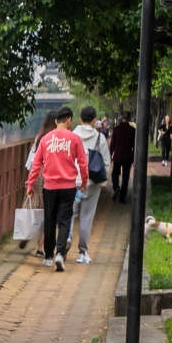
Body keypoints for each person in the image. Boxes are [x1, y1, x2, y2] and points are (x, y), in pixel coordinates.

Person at [25, 105, 88, 272]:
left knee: (50, 220)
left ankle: (48, 256)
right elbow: (83, 163)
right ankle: (60, 254)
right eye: (70, 121)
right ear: (68, 120)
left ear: (55, 121)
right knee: (64, 220)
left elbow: (36, 164)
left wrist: (30, 184)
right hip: (68, 187)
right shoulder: (74, 139)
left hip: (49, 187)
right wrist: (84, 182)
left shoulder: (46, 139)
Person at [72, 104, 111, 264]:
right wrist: (102, 182)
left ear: (80, 119)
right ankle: (82, 251)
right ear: (95, 120)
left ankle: (64, 244)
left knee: (70, 214)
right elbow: (107, 162)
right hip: (92, 182)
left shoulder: (72, 135)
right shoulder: (99, 138)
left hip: (73, 181)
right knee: (86, 217)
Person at [108, 113, 135, 203]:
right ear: (129, 119)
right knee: (126, 177)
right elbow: (134, 146)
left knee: (115, 173)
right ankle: (122, 198)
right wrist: (134, 157)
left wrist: (110, 155)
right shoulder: (132, 130)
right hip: (128, 156)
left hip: (118, 156)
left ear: (122, 118)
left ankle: (116, 187)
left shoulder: (116, 129)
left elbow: (112, 144)